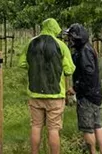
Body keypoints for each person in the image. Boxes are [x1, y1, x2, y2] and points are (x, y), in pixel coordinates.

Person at [19, 18, 75, 154]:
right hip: (55, 95)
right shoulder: (61, 45)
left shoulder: (31, 43)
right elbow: (69, 70)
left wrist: (35, 67)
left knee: (36, 126)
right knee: (53, 129)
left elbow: (21, 63)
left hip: (35, 93)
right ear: (55, 28)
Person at [65, 23, 102, 154]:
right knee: (98, 125)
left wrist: (75, 88)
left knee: (88, 128)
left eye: (71, 37)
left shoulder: (84, 52)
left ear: (76, 38)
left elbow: (88, 75)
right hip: (96, 93)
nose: (69, 40)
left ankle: (93, 152)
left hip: (87, 96)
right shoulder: (88, 49)